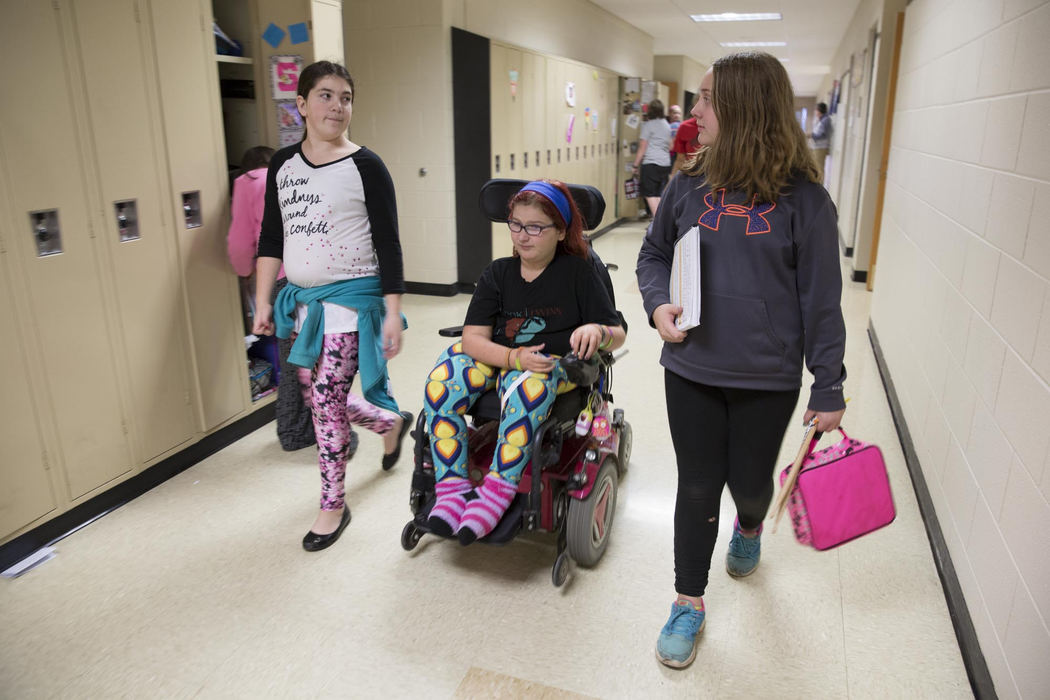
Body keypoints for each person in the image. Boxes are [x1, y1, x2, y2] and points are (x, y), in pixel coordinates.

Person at [636, 52, 847, 669]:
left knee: (749, 484)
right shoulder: (686, 184)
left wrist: (828, 388)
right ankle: (688, 600)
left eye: (706, 99)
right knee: (698, 483)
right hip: (691, 366)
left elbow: (824, 304)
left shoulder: (804, 202)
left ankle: (749, 525)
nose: (693, 111)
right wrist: (657, 307)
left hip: (767, 376)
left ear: (745, 109)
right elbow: (653, 256)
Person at [253, 61, 413, 552]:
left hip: (351, 302)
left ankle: (331, 504)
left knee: (325, 403)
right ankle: (389, 423)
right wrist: (261, 299)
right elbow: (272, 235)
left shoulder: (366, 165)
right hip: (302, 307)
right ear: (300, 105)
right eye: (325, 96)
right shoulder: (283, 164)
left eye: (345, 97)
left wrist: (391, 311)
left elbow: (389, 243)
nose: (337, 106)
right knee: (320, 394)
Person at [422, 180, 625, 544]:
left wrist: (597, 329)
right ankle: (451, 488)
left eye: (535, 227)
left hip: (554, 365)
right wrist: (513, 357)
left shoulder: (580, 273)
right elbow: (473, 339)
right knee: (442, 380)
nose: (522, 236)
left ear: (561, 231)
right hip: (504, 358)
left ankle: (496, 493)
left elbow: (617, 332)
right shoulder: (498, 273)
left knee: (530, 384)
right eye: (515, 224)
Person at [227, 145, 325, 452]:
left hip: (280, 280)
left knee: (293, 357)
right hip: (313, 275)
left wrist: (243, 270)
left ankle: (295, 429)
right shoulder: (297, 176)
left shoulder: (246, 185)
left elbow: (241, 242)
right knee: (319, 356)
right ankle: (315, 427)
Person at [632, 99, 672, 217]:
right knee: (659, 194)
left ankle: (657, 222)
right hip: (665, 164)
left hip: (651, 163)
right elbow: (670, 145)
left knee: (650, 194)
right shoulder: (666, 125)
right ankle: (660, 220)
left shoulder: (648, 125)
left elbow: (642, 147)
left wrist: (635, 165)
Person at [810, 101, 832, 182]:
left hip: (821, 148)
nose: (815, 112)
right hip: (817, 147)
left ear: (819, 110)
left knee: (819, 168)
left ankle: (819, 185)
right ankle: (817, 183)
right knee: (817, 167)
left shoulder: (826, 120)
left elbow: (823, 135)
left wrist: (812, 135)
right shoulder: (821, 120)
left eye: (816, 110)